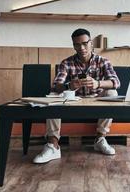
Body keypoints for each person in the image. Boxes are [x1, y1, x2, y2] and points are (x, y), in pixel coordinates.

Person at [33, 28, 120, 164]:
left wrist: (98, 83)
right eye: (77, 45)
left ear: (91, 43)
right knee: (53, 94)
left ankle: (100, 138)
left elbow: (116, 82)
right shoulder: (66, 63)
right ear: (73, 46)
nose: (82, 48)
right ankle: (53, 144)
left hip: (97, 99)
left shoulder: (103, 61)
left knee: (112, 93)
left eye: (85, 43)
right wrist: (69, 86)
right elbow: (56, 85)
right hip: (74, 100)